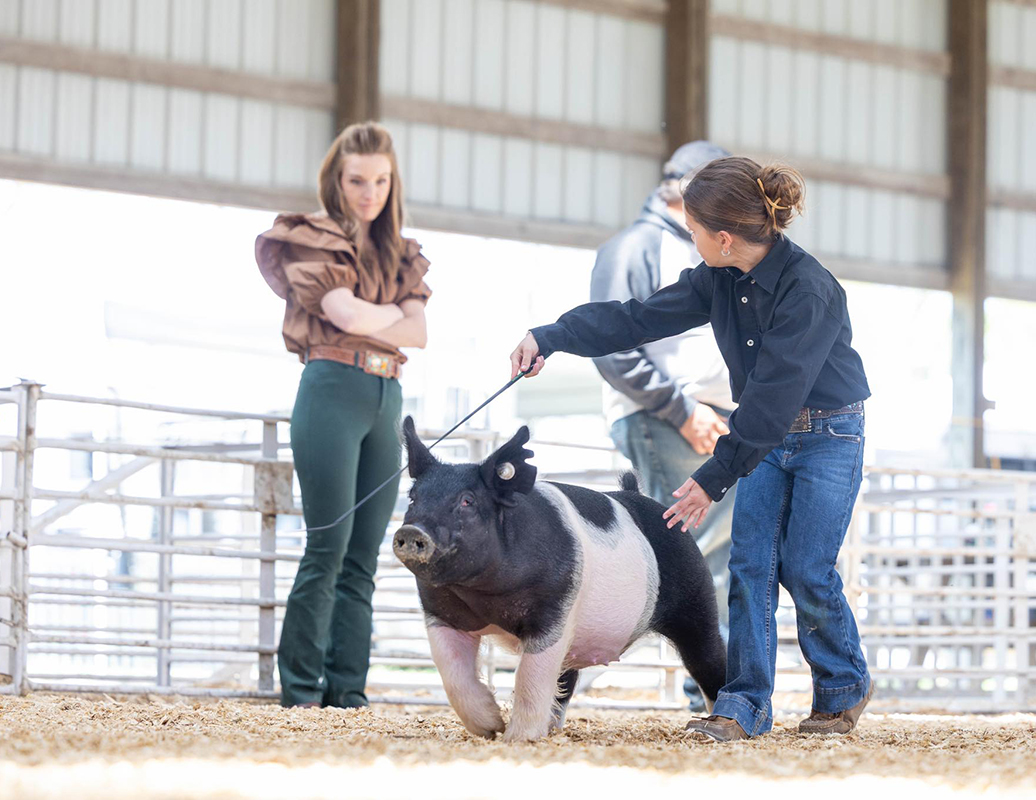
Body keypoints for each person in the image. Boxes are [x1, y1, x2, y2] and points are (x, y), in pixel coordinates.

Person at [509, 157, 873, 741]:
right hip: (764, 435)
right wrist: (551, 336)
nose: (689, 236)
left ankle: (840, 689)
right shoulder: (719, 277)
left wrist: (712, 477)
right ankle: (744, 704)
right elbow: (637, 319)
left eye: (694, 227)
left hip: (827, 436)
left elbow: (774, 399)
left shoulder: (810, 290)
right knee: (751, 565)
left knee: (806, 567)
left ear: (721, 236)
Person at [255, 121, 431, 708]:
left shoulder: (400, 251)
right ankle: (301, 692)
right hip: (331, 385)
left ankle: (347, 694)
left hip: (387, 395)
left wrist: (367, 312)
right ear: (336, 178)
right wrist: (386, 316)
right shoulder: (312, 236)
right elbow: (346, 317)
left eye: (381, 180)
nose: (369, 192)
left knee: (364, 558)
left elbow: (419, 332)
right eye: (357, 179)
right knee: (327, 545)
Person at [589, 140, 735, 712]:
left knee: (702, 550)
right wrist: (684, 411)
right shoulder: (638, 246)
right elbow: (614, 347)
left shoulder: (687, 247)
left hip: (697, 418)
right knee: (700, 552)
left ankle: (715, 690)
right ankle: (717, 695)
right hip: (669, 418)